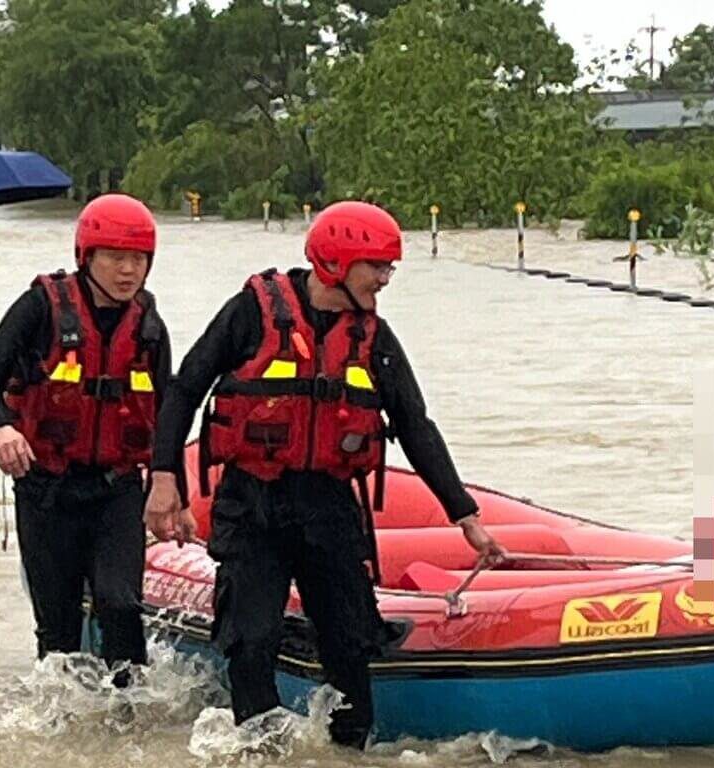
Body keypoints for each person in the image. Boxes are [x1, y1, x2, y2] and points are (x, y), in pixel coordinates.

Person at [143, 200, 504, 747]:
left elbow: (415, 426)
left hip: (329, 506)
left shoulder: (373, 338)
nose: (384, 280)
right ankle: (258, 751)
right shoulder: (251, 311)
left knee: (350, 643)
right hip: (253, 503)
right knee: (253, 637)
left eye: (389, 269)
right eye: (376, 267)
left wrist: (466, 516)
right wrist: (165, 478)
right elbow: (185, 389)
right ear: (336, 262)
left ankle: (348, 752)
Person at [0, 194, 172, 681]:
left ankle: (129, 724)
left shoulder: (148, 325)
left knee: (120, 604)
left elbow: (168, 408)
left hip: (116, 488)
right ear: (87, 256)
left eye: (139, 259)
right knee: (57, 631)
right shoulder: (41, 305)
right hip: (46, 489)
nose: (129, 271)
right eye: (116, 258)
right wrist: (2, 428)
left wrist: (173, 490)